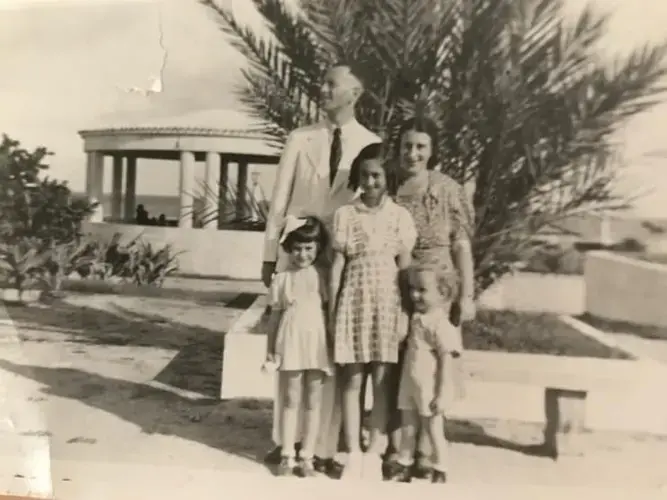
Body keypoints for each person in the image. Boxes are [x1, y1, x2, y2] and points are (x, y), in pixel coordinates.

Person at [261, 64, 382, 472]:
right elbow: (279, 201)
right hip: (299, 250)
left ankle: (325, 448)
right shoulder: (301, 138)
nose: (322, 88)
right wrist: (269, 256)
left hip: (346, 255)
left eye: (331, 83)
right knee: (292, 347)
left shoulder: (371, 141)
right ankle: (285, 442)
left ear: (355, 92)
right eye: (322, 81)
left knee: (333, 348)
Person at [385, 115, 476, 479]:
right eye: (407, 145)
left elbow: (462, 245)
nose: (413, 153)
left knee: (435, 370)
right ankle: (399, 449)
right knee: (398, 369)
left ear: (432, 149)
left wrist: (466, 295)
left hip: (438, 290)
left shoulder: (447, 189)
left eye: (421, 146)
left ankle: (427, 452)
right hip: (395, 285)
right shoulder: (389, 186)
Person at [329, 143, 417, 480]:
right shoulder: (345, 215)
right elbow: (337, 266)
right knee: (352, 379)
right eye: (364, 175)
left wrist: (406, 314)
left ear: (388, 178)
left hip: (388, 303)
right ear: (357, 176)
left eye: (377, 175)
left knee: (382, 381)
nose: (370, 181)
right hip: (353, 301)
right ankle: (352, 450)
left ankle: (374, 452)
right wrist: (333, 309)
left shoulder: (399, 217)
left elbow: (405, 269)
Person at [262, 215, 333, 477]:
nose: (302, 254)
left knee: (314, 401)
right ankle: (287, 455)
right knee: (291, 399)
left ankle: (307, 457)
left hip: (316, 343)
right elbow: (274, 318)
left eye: (309, 248)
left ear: (318, 248)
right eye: (297, 248)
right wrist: (270, 349)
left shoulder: (323, 276)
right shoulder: (282, 279)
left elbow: (329, 313)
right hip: (290, 341)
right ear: (288, 248)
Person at [389, 265, 465, 484]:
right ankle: (404, 463)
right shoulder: (415, 318)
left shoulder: (441, 324)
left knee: (433, 429)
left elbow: (446, 360)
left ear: (442, 293)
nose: (415, 295)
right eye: (412, 289)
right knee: (408, 427)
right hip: (410, 382)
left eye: (422, 290)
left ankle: (440, 467)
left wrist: (442, 392)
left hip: (429, 386)